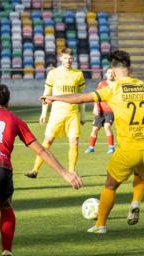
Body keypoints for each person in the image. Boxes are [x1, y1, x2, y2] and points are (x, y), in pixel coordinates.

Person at [41, 50, 144, 234]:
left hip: (129, 149)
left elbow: (79, 98)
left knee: (110, 185)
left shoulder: (112, 89)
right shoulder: (143, 86)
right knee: (141, 176)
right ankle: (135, 202)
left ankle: (100, 225)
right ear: (129, 70)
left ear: (113, 72)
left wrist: (54, 98)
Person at [0, 84, 83, 256]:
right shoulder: (14, 119)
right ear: (8, 103)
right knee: (6, 207)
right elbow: (41, 150)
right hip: (2, 169)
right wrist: (65, 173)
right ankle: (7, 251)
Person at [25, 48, 86, 179]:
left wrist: (83, 115)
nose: (68, 60)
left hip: (73, 114)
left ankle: (72, 171)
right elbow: (46, 95)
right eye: (65, 58)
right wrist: (43, 113)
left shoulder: (78, 74)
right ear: (61, 58)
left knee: (74, 141)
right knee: (48, 140)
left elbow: (81, 96)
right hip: (57, 113)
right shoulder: (53, 73)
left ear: (73, 59)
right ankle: (34, 170)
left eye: (70, 58)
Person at [85, 68, 115, 154]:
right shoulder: (101, 84)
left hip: (110, 110)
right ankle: (91, 147)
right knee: (95, 129)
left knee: (107, 126)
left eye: (112, 72)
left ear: (115, 74)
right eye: (109, 72)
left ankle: (111, 147)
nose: (111, 74)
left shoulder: (117, 84)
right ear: (106, 74)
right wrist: (95, 107)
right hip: (100, 110)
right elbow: (97, 96)